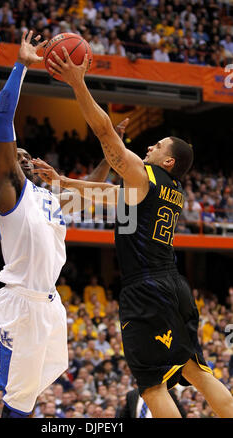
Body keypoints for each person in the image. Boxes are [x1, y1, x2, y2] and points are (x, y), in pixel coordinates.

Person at [33, 47, 233, 418]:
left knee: (152, 385)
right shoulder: (168, 188)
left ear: (168, 160)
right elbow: (108, 195)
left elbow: (106, 133)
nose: (148, 146)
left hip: (147, 288)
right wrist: (63, 181)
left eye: (156, 146)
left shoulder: (146, 175)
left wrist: (78, 82)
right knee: (198, 371)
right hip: (174, 285)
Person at [0, 30, 125, 419]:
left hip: (50, 307)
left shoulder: (49, 197)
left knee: (30, 398)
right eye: (20, 156)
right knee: (16, 400)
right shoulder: (11, 193)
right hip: (20, 304)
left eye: (30, 156)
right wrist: (20, 66)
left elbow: (94, 188)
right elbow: (1, 120)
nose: (26, 159)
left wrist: (112, 144)